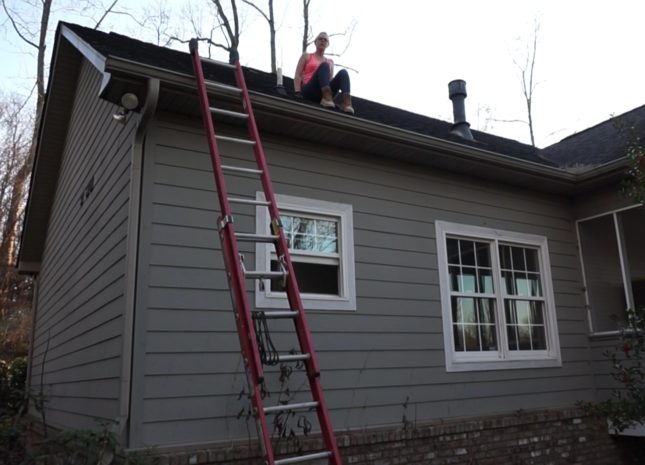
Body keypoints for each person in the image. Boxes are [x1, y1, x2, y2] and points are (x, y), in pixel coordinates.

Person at [294, 32, 354, 115]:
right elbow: (298, 74)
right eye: (320, 39)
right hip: (310, 90)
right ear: (315, 42)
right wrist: (297, 92)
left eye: (325, 40)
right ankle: (326, 97)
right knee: (324, 65)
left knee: (343, 72)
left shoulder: (330, 62)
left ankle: (346, 102)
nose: (322, 41)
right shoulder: (307, 56)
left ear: (327, 44)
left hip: (324, 94)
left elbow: (329, 80)